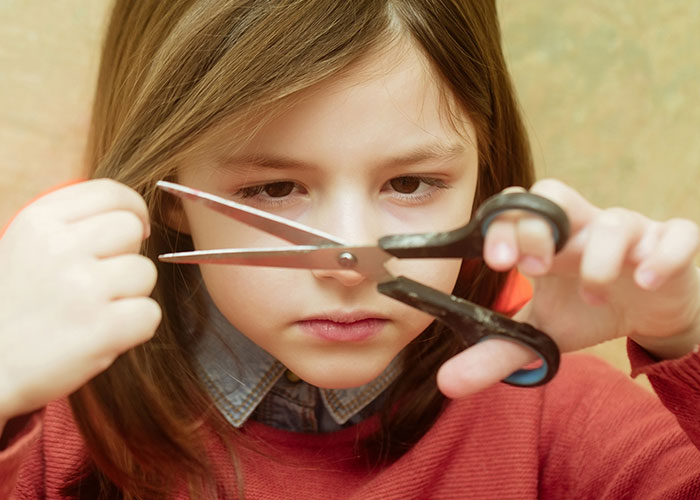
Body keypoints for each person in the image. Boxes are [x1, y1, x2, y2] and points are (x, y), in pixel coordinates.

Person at [1, 1, 699, 498]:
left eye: (411, 182)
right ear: (172, 193)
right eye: (274, 188)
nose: (348, 260)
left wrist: (689, 337)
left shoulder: (563, 425)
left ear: (484, 179)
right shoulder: (43, 437)